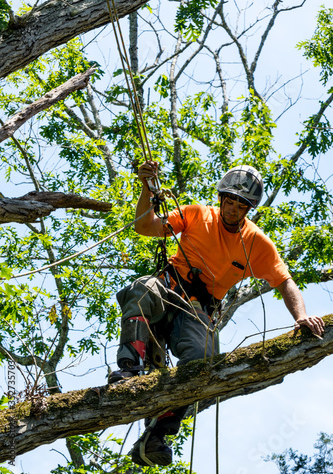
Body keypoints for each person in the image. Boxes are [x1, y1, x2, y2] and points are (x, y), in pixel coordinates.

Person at [108, 161, 325, 467]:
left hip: (198, 311)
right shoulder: (197, 214)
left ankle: (157, 434)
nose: (233, 210)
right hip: (167, 290)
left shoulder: (256, 244)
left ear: (249, 208)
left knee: (203, 361)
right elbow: (146, 227)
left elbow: (284, 281)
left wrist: (301, 316)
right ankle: (130, 370)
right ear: (221, 197)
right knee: (142, 288)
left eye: (241, 205)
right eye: (230, 201)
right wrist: (146, 187)